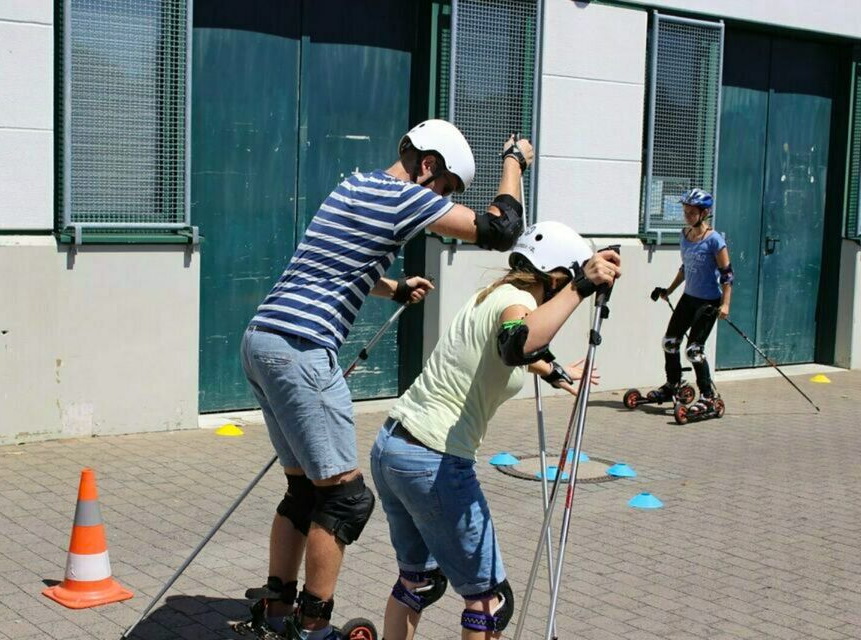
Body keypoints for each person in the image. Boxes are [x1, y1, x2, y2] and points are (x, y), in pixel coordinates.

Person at [238, 119, 535, 640]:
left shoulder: (354, 187)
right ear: (427, 166)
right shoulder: (405, 196)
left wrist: (394, 287)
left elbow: (340, 264)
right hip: (303, 349)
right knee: (345, 500)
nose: (444, 203)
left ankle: (276, 612)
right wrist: (513, 162)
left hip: (263, 339)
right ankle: (313, 629)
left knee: (304, 491)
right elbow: (501, 229)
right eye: (446, 189)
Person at [369, 222, 621, 640]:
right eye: (567, 281)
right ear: (556, 276)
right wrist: (581, 288)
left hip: (392, 447)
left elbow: (510, 351)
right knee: (490, 600)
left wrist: (556, 371)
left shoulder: (492, 295)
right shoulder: (518, 302)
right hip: (434, 459)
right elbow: (515, 343)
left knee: (419, 582)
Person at [650, 188, 733, 409]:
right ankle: (673, 384)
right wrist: (669, 290)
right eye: (685, 212)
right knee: (670, 343)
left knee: (693, 350)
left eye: (692, 212)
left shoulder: (715, 240)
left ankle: (707, 395)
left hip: (708, 302)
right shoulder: (684, 235)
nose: (687, 216)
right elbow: (686, 267)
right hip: (688, 298)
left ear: (704, 213)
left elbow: (727, 275)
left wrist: (725, 304)